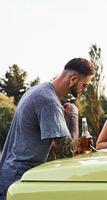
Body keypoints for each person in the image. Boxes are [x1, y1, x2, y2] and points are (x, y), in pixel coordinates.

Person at [0, 58, 95, 200]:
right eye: (84, 85)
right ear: (73, 79)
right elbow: (67, 152)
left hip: (10, 175)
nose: (84, 90)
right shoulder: (48, 101)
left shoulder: (38, 91)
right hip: (19, 181)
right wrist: (74, 116)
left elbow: (56, 146)